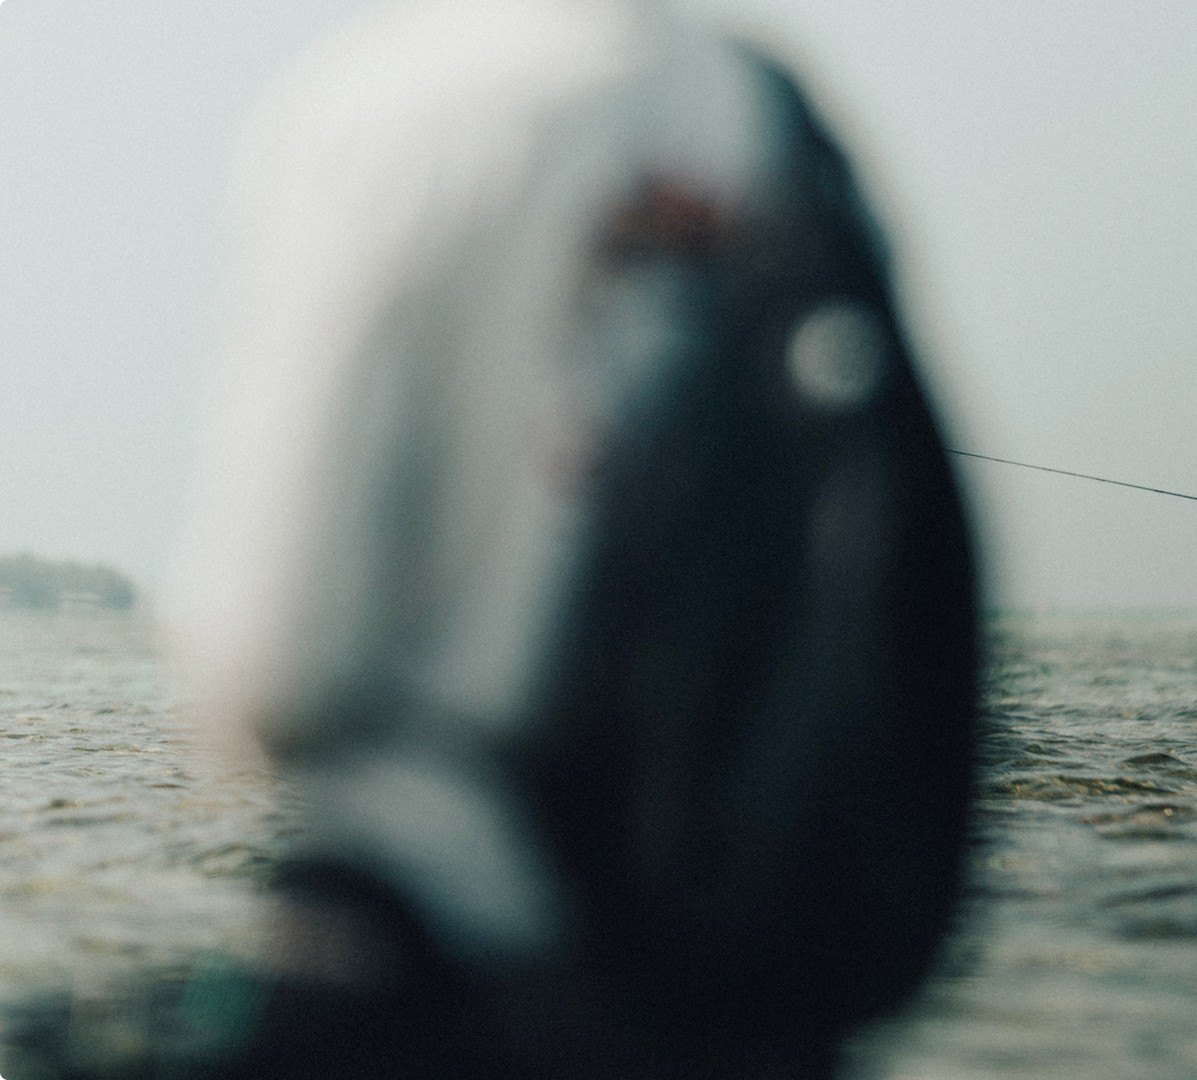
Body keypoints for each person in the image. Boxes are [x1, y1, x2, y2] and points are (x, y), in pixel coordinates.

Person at [18, 3, 979, 1078]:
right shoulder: (764, 110)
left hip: (437, 950)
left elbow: (275, 657)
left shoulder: (390, 104)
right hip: (719, 975)